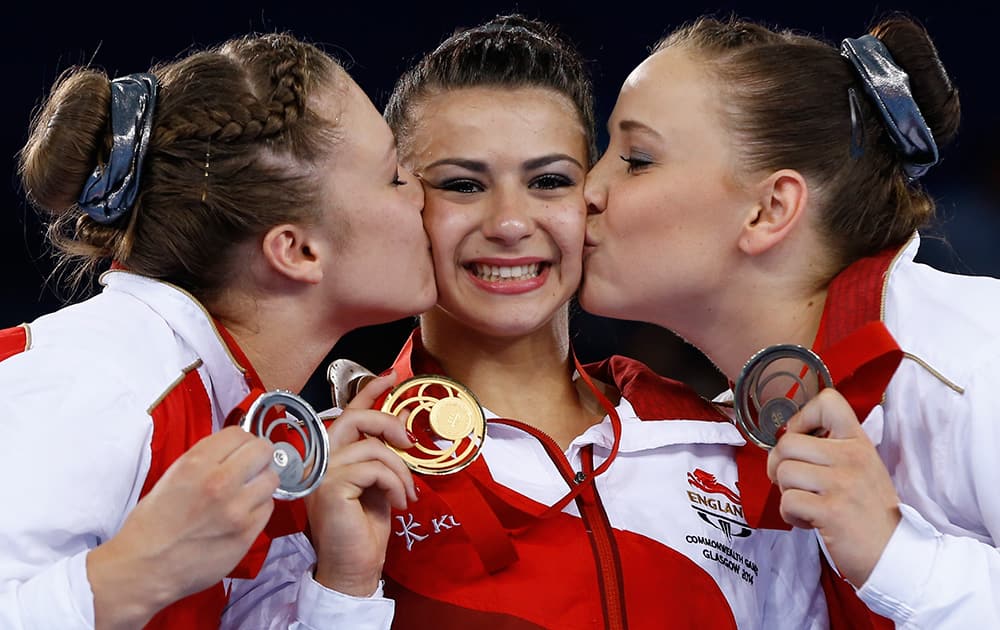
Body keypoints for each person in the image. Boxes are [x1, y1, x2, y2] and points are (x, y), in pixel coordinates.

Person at [230, 14, 845, 629]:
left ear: (590, 199)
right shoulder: (322, 472)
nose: (509, 223)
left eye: (549, 181)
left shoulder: (725, 450)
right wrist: (344, 586)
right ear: (402, 202)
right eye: (463, 185)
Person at [0, 31, 435, 629]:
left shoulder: (235, 410)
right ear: (298, 251)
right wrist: (140, 568)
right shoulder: (95, 380)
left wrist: (345, 583)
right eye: (393, 175)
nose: (422, 192)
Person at [581, 12, 999, 628]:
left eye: (638, 159)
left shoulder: (976, 357)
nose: (588, 190)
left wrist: (895, 557)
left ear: (769, 209)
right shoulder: (721, 442)